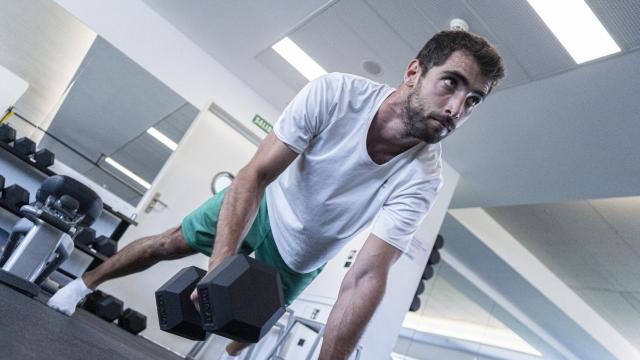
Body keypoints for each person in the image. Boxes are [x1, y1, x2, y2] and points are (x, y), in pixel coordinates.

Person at [48, 29, 504, 359]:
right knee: (170, 242)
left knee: (239, 339)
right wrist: (218, 268)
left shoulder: (425, 177)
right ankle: (81, 284)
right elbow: (254, 175)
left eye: (474, 101)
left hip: (304, 254)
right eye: (451, 83)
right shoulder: (337, 94)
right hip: (265, 205)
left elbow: (366, 275)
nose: (456, 109)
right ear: (414, 72)